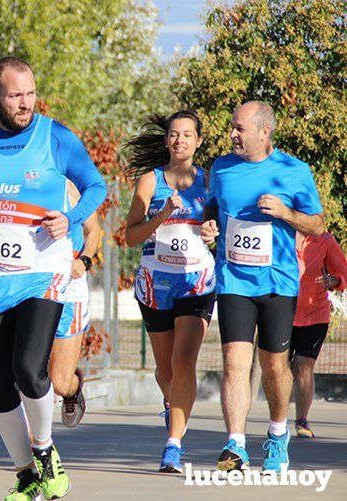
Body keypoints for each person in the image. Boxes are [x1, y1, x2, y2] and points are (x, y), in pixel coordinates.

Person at [0, 57, 107, 500]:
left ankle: (46, 451)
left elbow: (96, 187)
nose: (25, 103)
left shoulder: (56, 137)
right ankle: (27, 475)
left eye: (30, 93)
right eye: (15, 95)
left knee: (30, 369)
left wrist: (68, 218)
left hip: (43, 270)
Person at [201, 101, 324, 473]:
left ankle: (277, 434)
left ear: (264, 132)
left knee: (273, 366)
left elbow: (317, 225)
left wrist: (286, 213)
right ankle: (235, 444)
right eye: (232, 127)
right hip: (234, 280)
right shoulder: (221, 167)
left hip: (278, 283)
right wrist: (209, 226)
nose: (233, 134)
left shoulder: (293, 171)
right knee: (234, 362)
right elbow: (211, 207)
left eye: (240, 128)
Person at [122, 111, 216, 473]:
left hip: (196, 281)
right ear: (166, 141)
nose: (180, 141)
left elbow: (218, 226)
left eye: (187, 135)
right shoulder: (150, 180)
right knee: (165, 369)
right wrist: (161, 215)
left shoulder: (210, 181)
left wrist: (213, 233)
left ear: (198, 141)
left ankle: (173, 445)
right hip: (155, 282)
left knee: (183, 361)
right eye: (174, 135)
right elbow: (130, 236)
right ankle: (170, 401)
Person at [49, 182, 100, 429]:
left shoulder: (71, 186)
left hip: (70, 285)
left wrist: (85, 260)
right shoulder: (18, 179)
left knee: (59, 381)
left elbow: (93, 231)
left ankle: (72, 389)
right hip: (31, 284)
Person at [291, 231, 347, 438]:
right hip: (282, 312)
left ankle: (301, 421)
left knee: (302, 366)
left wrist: (332, 279)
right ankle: (276, 423)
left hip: (315, 314)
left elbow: (343, 272)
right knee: (279, 367)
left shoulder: (325, 240)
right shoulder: (280, 233)